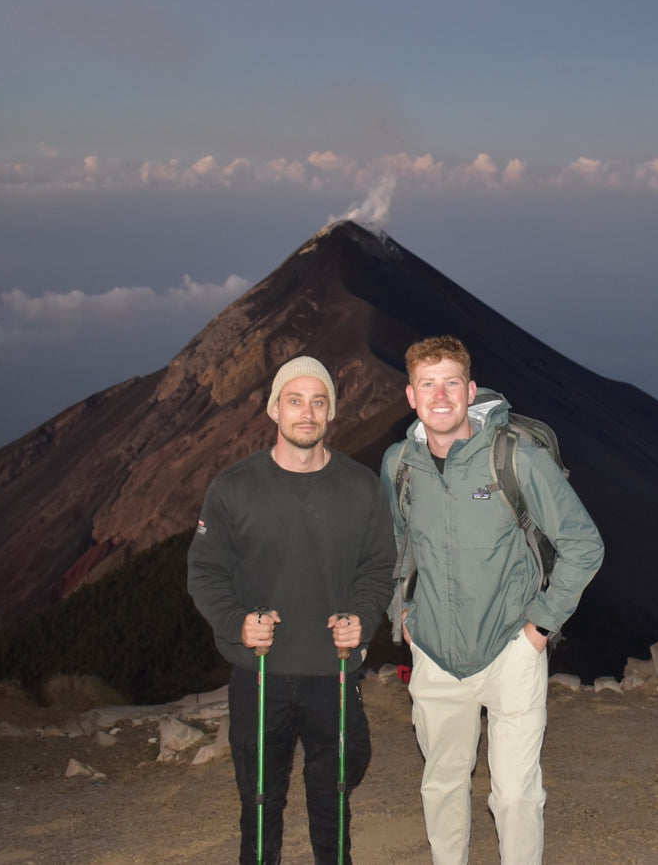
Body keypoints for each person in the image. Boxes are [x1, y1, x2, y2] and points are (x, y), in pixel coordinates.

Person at [381, 335, 604, 865]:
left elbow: (583, 544)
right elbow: (398, 543)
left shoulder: (514, 458)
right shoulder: (400, 465)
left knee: (515, 795)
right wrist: (403, 615)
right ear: (410, 396)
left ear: (471, 390)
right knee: (441, 786)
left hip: (512, 652)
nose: (440, 396)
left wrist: (538, 630)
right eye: (427, 384)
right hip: (434, 655)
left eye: (451, 383)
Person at [188, 355, 396, 865]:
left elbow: (378, 567)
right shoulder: (234, 487)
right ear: (273, 409)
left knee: (334, 797)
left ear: (331, 412)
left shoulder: (362, 487)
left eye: (318, 401)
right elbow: (205, 570)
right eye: (295, 400)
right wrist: (237, 623)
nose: (307, 412)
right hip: (259, 672)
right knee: (259, 801)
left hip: (334, 669)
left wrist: (364, 620)